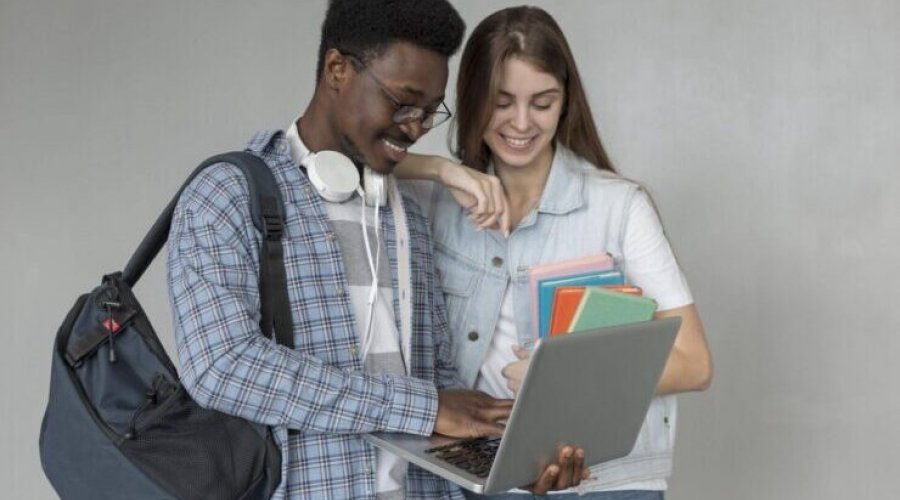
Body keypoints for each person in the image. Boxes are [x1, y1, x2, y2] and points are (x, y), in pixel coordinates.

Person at [167, 1, 585, 498]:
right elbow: (222, 367)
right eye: (403, 102)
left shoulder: (405, 211)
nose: (414, 128)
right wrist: (423, 406)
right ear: (337, 69)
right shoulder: (226, 196)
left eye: (431, 112)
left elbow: (440, 379)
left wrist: (510, 462)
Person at [397, 6, 714, 499]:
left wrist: (558, 381)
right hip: (482, 477)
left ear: (566, 102)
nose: (521, 123)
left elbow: (694, 364)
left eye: (542, 102)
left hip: (607, 481)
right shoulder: (437, 200)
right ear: (472, 98)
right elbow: (349, 160)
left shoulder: (619, 206)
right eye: (501, 102)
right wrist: (442, 169)